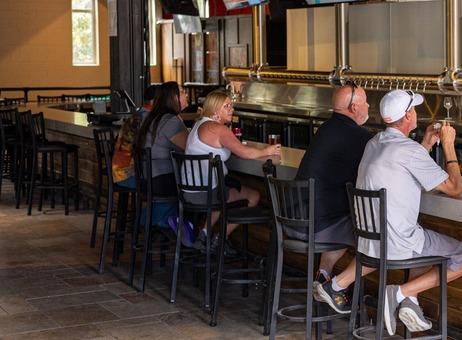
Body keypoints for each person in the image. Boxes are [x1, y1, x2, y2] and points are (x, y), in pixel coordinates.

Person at [314, 89, 462, 336]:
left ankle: (355, 289)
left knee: (422, 235)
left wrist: (425, 143)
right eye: (413, 109)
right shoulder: (408, 151)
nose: (416, 113)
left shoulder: (374, 143)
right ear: (406, 118)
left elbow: (404, 164)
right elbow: (455, 189)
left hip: (372, 242)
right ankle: (403, 292)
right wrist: (448, 146)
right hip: (399, 243)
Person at [291, 82, 372, 293]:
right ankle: (337, 288)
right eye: (365, 102)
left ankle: (324, 275)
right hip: (315, 228)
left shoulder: (325, 128)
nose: (369, 106)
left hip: (292, 222)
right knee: (371, 232)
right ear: (354, 108)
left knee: (345, 218)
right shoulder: (357, 136)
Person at [184, 90, 280, 257]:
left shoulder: (199, 124)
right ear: (215, 110)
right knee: (253, 196)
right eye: (226, 106)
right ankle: (220, 239)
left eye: (231, 105)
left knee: (224, 190)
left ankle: (204, 235)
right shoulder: (218, 128)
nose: (231, 109)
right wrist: (268, 150)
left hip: (191, 193)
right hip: (208, 195)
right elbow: (246, 153)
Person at [135, 82, 189, 233]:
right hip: (161, 179)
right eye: (182, 92)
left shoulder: (156, 117)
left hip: (150, 178)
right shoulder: (170, 120)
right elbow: (191, 148)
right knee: (198, 192)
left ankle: (170, 223)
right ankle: (184, 231)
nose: (186, 94)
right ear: (172, 98)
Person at [112, 84, 157, 189]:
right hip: (128, 175)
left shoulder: (140, 114)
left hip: (120, 172)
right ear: (152, 102)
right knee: (169, 183)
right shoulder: (147, 118)